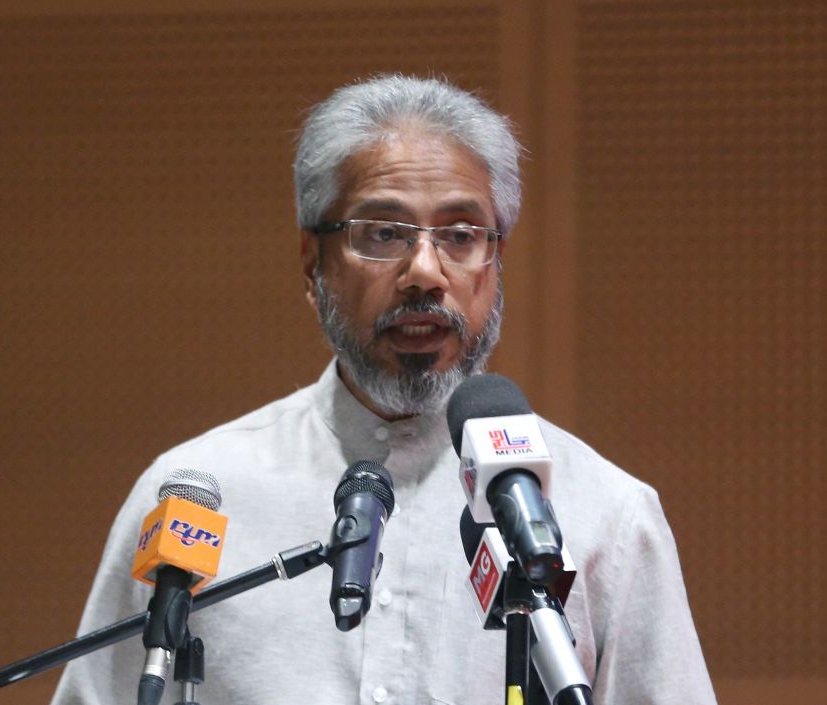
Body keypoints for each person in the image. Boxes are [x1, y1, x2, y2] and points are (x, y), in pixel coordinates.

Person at [51, 74, 716, 705]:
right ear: (314, 267)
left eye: (460, 235)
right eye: (384, 233)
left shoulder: (607, 515)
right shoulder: (197, 495)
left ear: (497, 261)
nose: (425, 271)